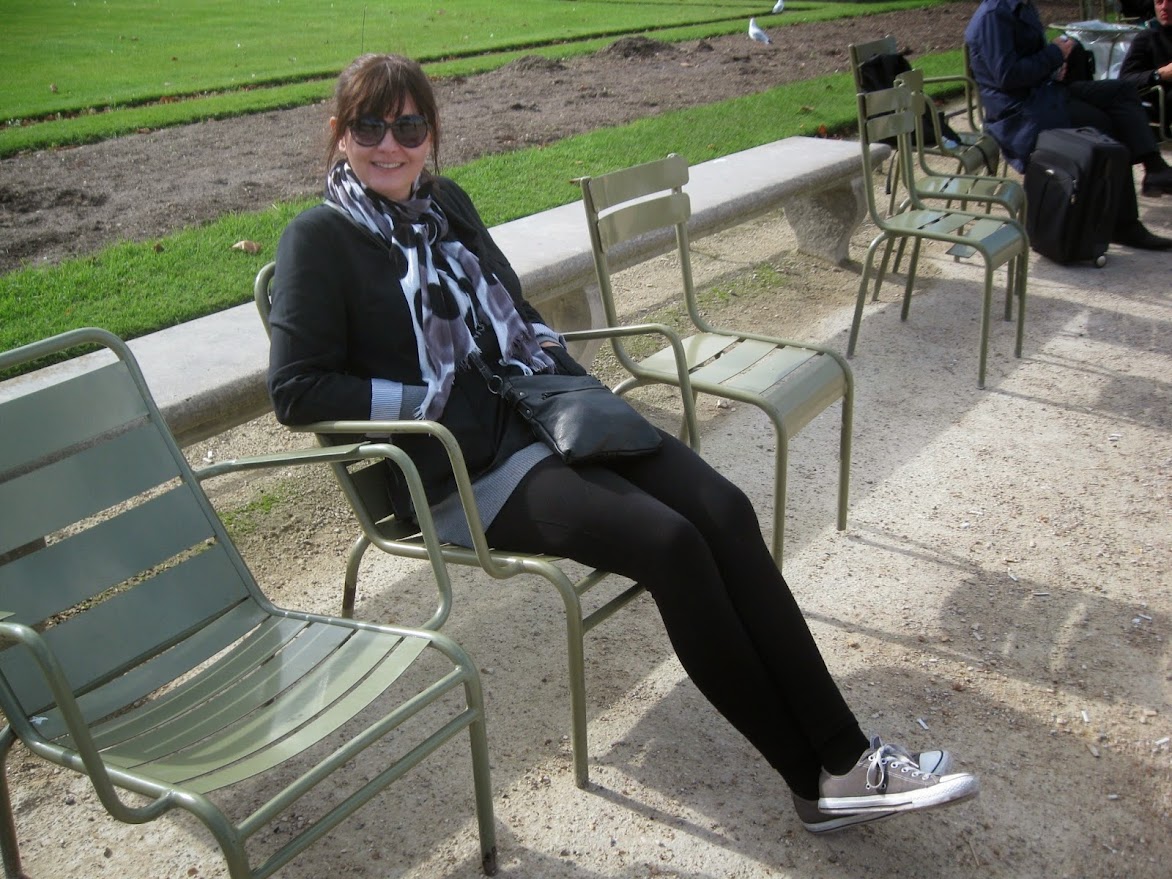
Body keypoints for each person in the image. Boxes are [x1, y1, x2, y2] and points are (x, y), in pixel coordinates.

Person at [266, 52, 980, 834]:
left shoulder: (448, 204)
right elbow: (297, 390)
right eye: (370, 125)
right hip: (462, 467)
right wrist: (431, 397)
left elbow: (518, 311)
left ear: (431, 136)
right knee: (670, 542)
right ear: (340, 134)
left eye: (408, 127)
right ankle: (816, 772)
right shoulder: (318, 240)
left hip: (546, 412)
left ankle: (844, 760)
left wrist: (573, 388)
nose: (390, 144)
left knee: (723, 508)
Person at [965, 0, 1172, 250]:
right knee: (1103, 125)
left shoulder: (1021, 7)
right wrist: (1055, 54)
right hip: (1021, 113)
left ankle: (1154, 166)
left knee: (1121, 91)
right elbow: (1007, 76)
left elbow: (1025, 62)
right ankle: (1124, 225)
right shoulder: (994, 16)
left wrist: (1057, 65)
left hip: (1044, 94)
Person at [1119, 0, 1172, 137]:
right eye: (1159, 2)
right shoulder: (1147, 38)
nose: (1164, 7)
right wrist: (1159, 74)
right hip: (1162, 104)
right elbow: (1125, 80)